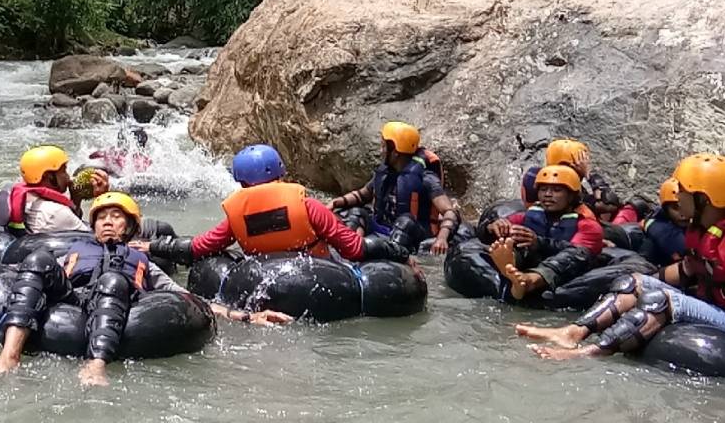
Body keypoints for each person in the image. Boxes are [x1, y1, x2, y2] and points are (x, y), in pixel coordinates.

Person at [516, 154, 725, 389]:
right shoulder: (707, 225)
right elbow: (689, 269)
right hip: (719, 304)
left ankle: (590, 353)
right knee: (632, 282)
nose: (677, 196)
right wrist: (643, 280)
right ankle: (573, 333)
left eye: (683, 192)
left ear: (704, 199)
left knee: (660, 300)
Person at [0, 192, 291, 386]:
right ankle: (8, 357)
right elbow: (21, 270)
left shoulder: (142, 260)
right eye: (102, 217)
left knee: (113, 279)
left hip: (118, 302)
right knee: (39, 258)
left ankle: (97, 364)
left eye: (116, 217)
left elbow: (185, 297)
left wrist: (246, 317)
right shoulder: (72, 248)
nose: (108, 221)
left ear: (129, 226)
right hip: (71, 297)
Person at [138, 144, 413, 266]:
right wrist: (402, 255)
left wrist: (153, 246)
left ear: (243, 184)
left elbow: (200, 247)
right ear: (280, 173)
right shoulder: (308, 206)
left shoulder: (237, 216)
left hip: (264, 278)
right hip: (317, 272)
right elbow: (354, 248)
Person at [329, 122, 460, 254]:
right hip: (384, 228)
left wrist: (442, 238)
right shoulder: (385, 172)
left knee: (405, 222)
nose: (381, 151)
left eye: (384, 147)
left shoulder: (425, 177)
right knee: (357, 213)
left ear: (395, 153)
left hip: (413, 233)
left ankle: (394, 257)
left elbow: (449, 211)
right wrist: (335, 203)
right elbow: (363, 195)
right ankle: (352, 251)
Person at [485, 165, 604, 301]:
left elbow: (580, 254)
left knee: (578, 254)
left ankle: (531, 281)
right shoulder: (525, 217)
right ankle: (510, 265)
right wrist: (491, 227)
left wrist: (539, 243)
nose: (548, 194)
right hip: (529, 262)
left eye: (556, 190)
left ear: (571, 196)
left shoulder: (588, 225)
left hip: (562, 272)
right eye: (543, 189)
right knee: (512, 241)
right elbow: (484, 235)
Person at [0, 146, 109, 235]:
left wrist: (76, 199)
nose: (68, 177)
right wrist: (102, 199)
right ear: (49, 177)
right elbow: (98, 237)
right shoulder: (56, 212)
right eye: (63, 171)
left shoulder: (25, 198)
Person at [638, 177, 687, 266]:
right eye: (675, 208)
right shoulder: (658, 224)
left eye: (686, 205)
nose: (683, 213)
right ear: (666, 210)